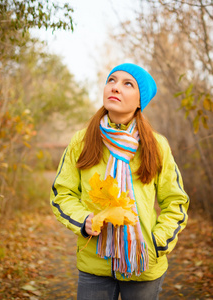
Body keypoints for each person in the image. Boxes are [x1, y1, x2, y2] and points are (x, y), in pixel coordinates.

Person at [50, 63, 189, 300]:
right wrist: (84, 221)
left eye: (128, 84)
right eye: (111, 81)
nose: (115, 88)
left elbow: (176, 203)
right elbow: (62, 194)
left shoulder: (156, 146)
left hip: (144, 264)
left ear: (139, 101)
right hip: (94, 264)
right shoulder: (82, 141)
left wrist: (156, 244)